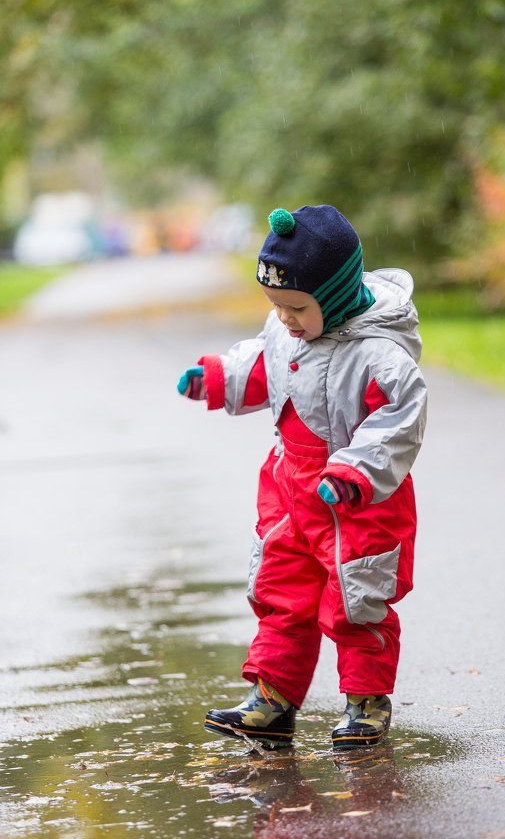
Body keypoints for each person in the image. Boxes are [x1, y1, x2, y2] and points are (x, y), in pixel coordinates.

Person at [178, 204, 427, 750]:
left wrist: (355, 471)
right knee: (281, 593)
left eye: (296, 307)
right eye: (277, 306)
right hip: (291, 488)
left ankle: (365, 701)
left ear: (335, 296)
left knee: (356, 597)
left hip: (356, 497)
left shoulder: (381, 356)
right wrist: (219, 377)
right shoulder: (287, 329)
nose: (285, 318)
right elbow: (263, 362)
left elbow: (398, 424)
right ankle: (273, 699)